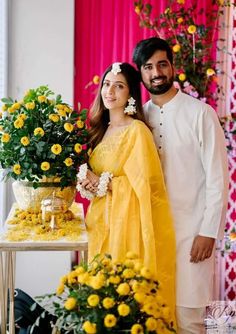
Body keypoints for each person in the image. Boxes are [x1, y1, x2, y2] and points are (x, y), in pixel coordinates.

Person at [132, 37, 229, 334]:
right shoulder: (138, 120)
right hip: (150, 237)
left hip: (191, 237)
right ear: (141, 73)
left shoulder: (201, 114)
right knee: (152, 319)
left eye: (162, 64)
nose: (156, 72)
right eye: (148, 67)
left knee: (190, 320)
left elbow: (218, 179)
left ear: (173, 67)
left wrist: (208, 232)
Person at [77, 62, 176, 329]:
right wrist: (89, 185)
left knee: (123, 303)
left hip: (126, 232)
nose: (110, 91)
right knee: (99, 305)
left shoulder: (137, 132)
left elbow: (146, 188)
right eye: (107, 84)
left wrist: (105, 183)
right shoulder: (100, 130)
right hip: (98, 226)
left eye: (119, 86)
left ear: (131, 95)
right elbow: (99, 185)